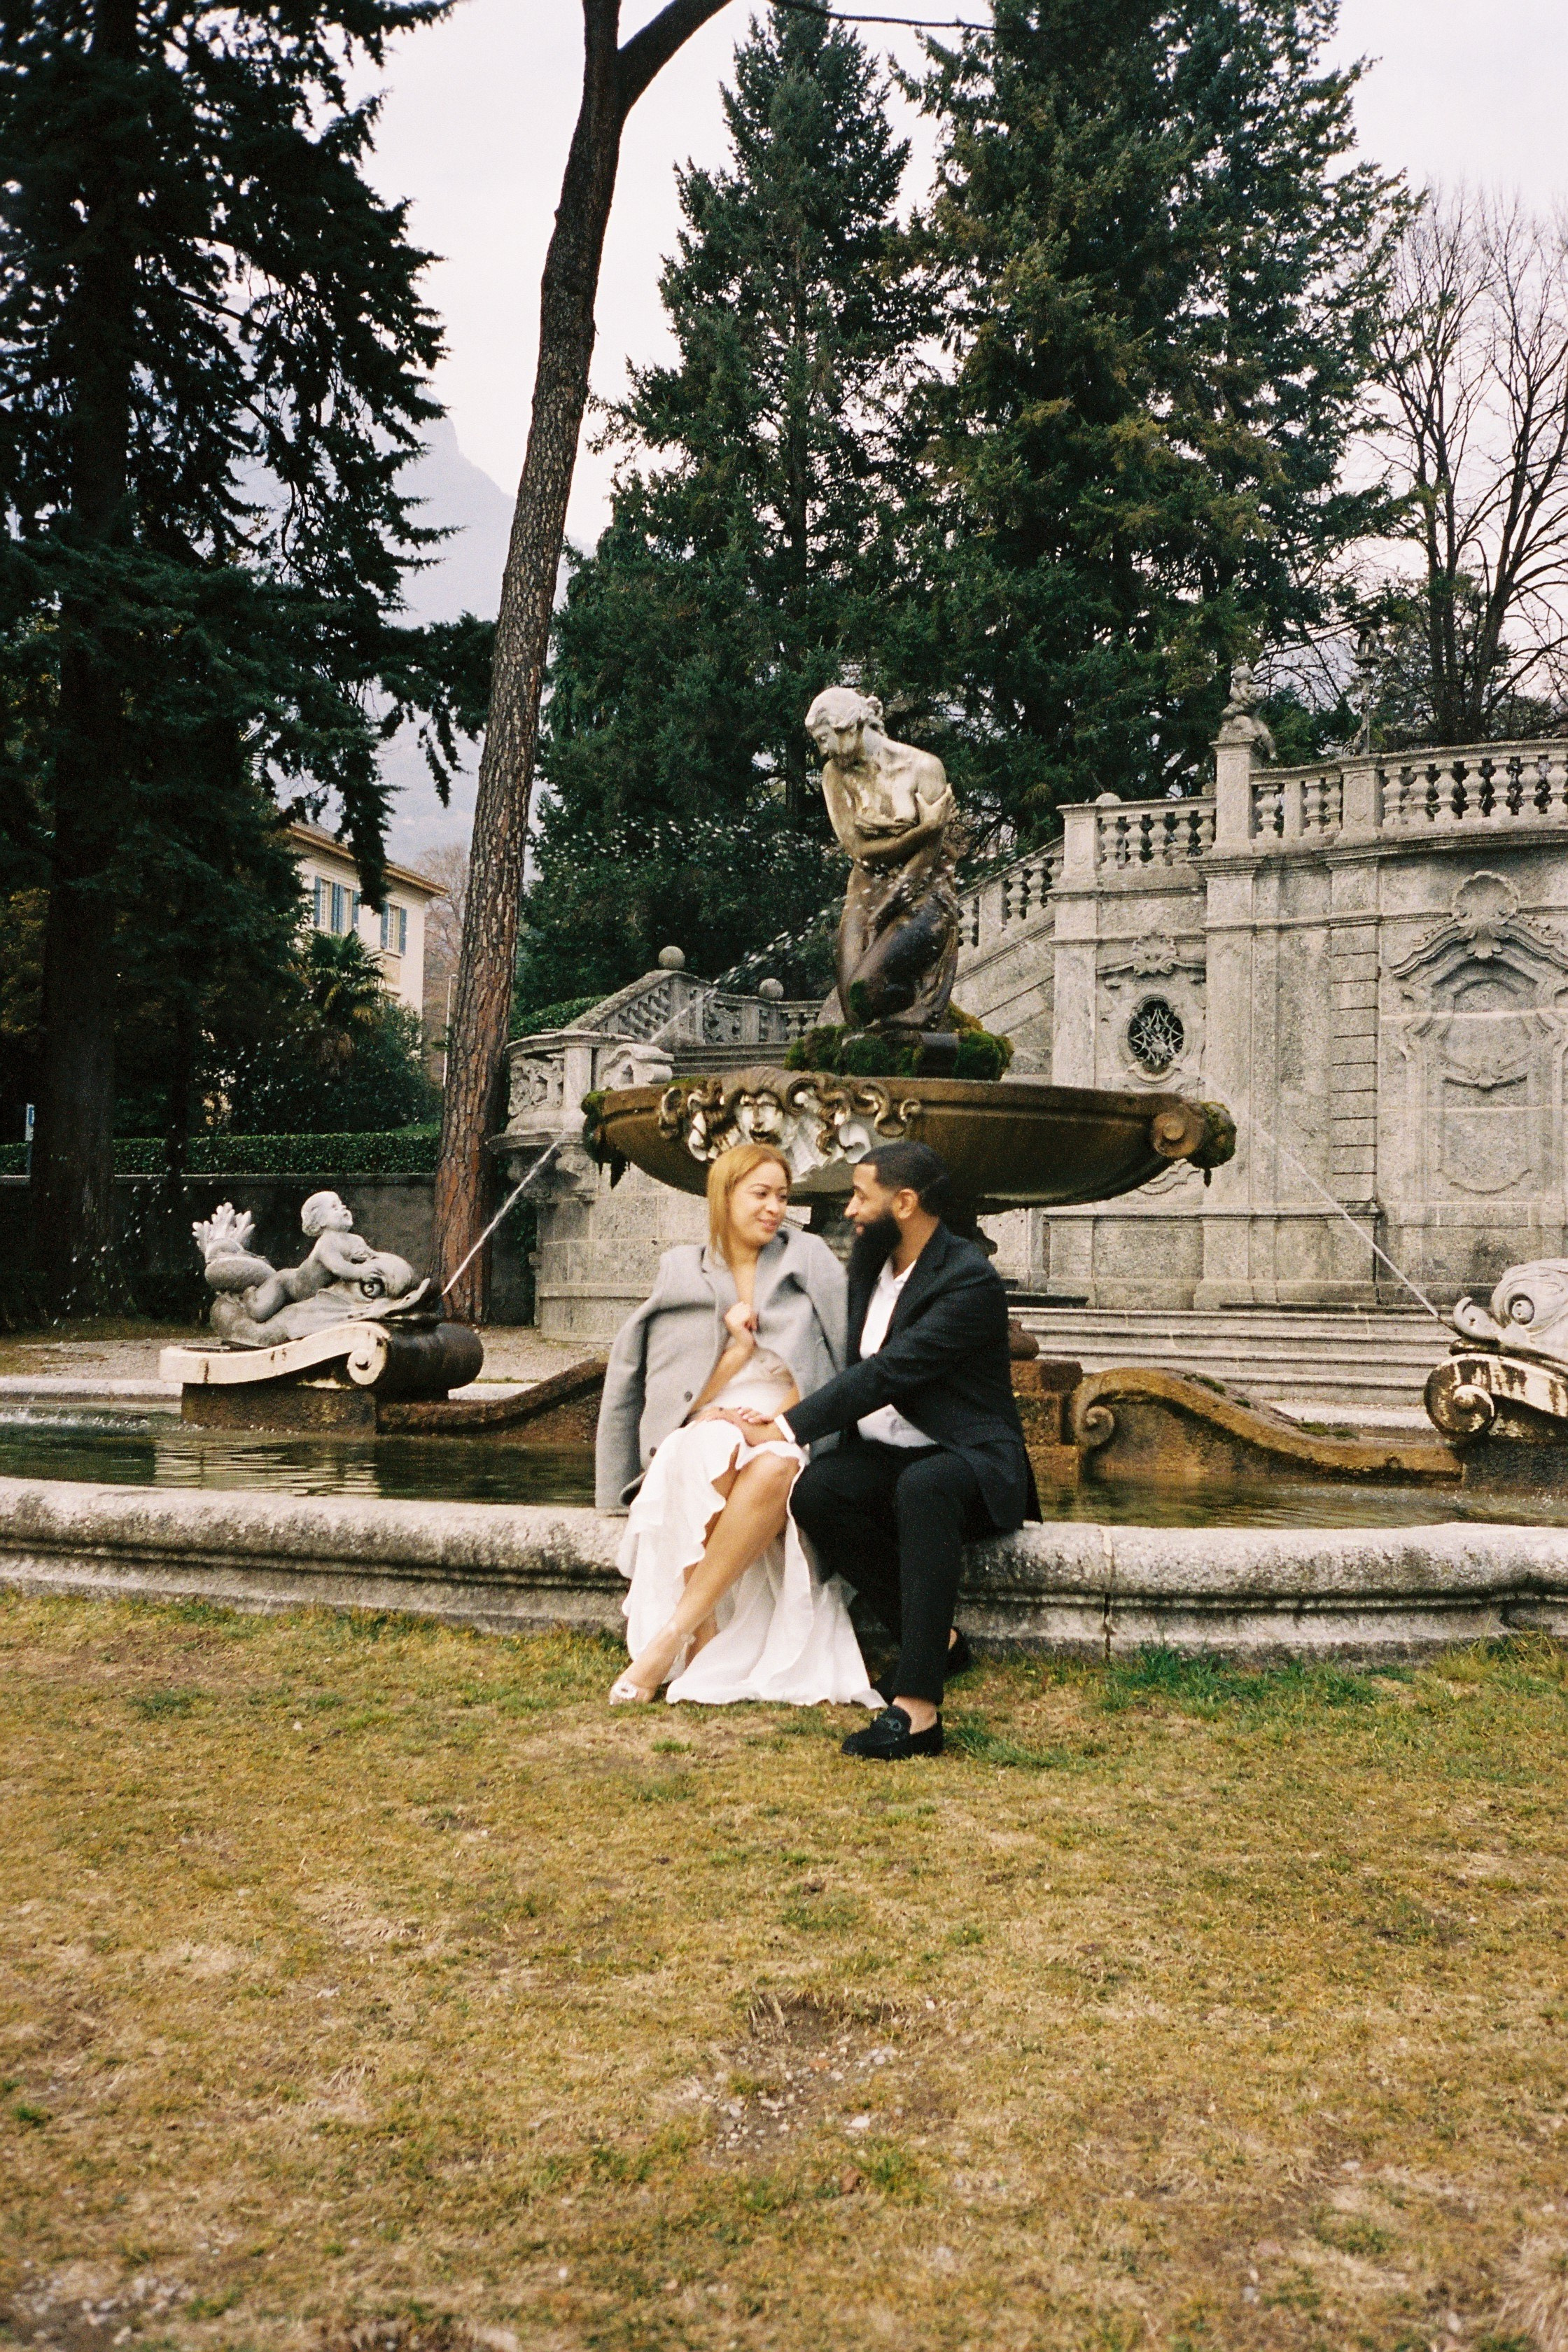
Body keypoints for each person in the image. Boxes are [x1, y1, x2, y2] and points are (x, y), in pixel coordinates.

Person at [717, 1140, 1034, 1761]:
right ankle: (938, 1643)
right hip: (888, 1455)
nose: (852, 1208)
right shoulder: (869, 1263)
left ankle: (918, 1712)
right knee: (818, 1492)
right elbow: (830, 1341)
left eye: (863, 1194)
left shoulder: (967, 1277)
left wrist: (786, 1429)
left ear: (906, 1202)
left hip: (965, 1457)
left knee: (926, 1486)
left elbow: (891, 1372)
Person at [595, 1142, 878, 1711]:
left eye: (782, 1195)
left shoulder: (809, 1257)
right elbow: (652, 1382)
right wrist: (733, 1355)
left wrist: (787, 1419)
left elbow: (849, 1356)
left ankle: (672, 1636)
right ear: (725, 1197)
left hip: (792, 1420)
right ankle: (703, 1636)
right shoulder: (682, 1268)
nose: (775, 1207)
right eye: (760, 1194)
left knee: (773, 1466)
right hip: (712, 1414)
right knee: (704, 1449)